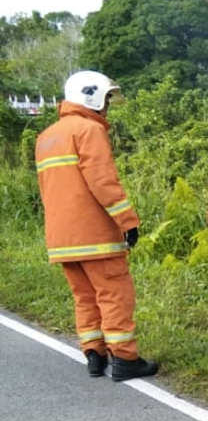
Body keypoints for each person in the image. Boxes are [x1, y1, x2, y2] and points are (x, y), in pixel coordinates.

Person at [34, 70, 159, 381]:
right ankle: (125, 360)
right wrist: (128, 221)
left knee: (84, 297)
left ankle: (94, 353)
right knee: (114, 295)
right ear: (91, 97)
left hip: (62, 240)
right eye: (105, 100)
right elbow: (103, 183)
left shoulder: (46, 137)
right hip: (96, 236)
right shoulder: (89, 130)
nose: (107, 107)